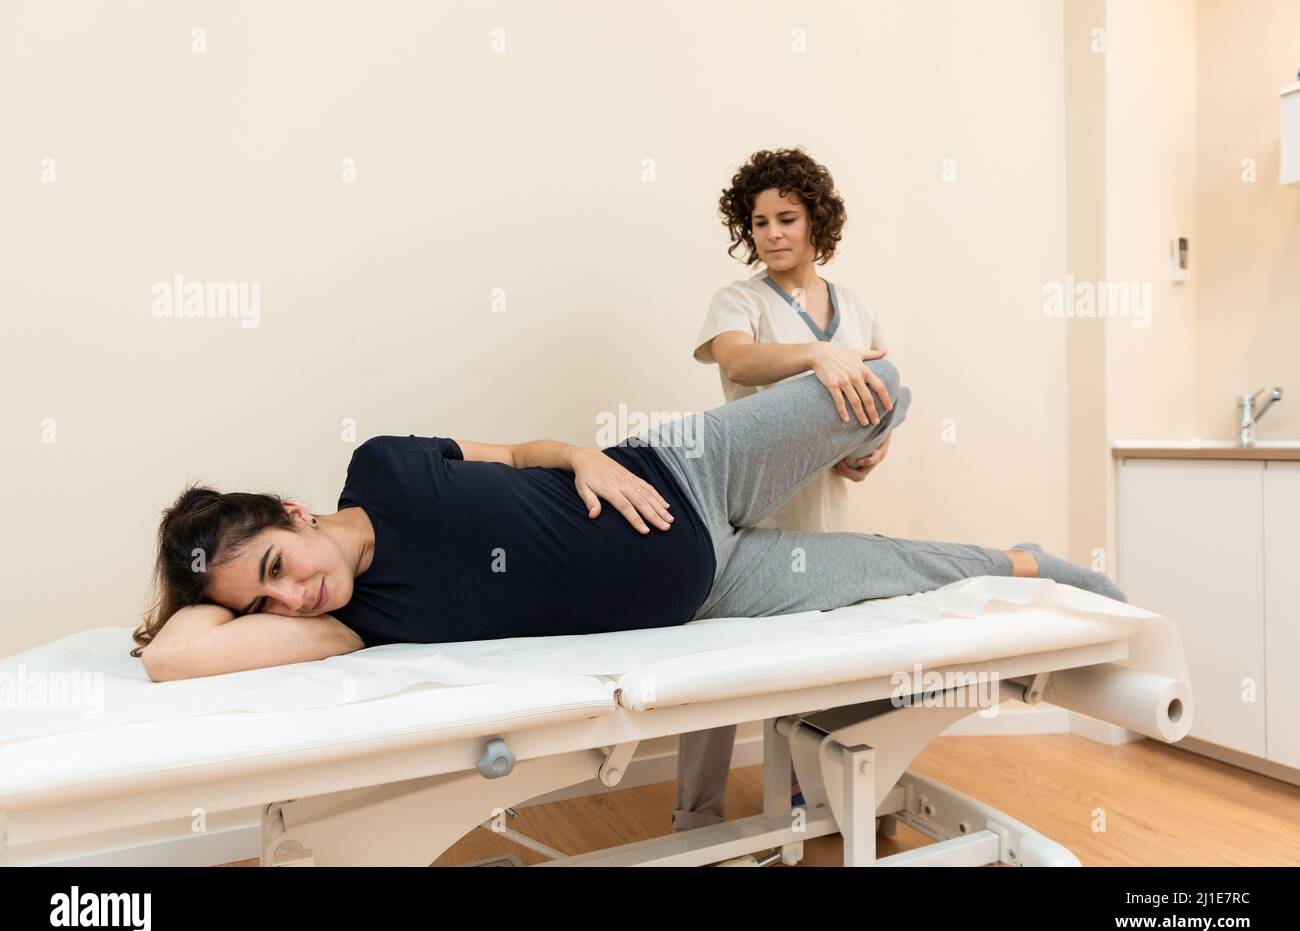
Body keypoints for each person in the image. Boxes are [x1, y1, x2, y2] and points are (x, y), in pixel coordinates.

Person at [133, 356, 1123, 690]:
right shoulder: (353, 622)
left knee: (879, 386)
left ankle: (861, 443)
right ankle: (1028, 562)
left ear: (294, 511)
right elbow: (175, 658)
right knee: (890, 566)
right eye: (260, 603)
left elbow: (518, 452)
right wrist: (201, 582)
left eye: (277, 563)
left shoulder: (383, 464)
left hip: (682, 468)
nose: (291, 595)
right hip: (707, 592)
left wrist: (584, 457)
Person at [677, 145, 895, 828]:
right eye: (759, 222)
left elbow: (875, 400)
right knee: (719, 672)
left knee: (818, 667)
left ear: (815, 222)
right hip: (745, 515)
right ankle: (696, 819)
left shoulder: (856, 309)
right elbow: (738, 361)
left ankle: (814, 797)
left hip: (821, 517)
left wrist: (872, 450)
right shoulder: (738, 301)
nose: (771, 234)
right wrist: (816, 354)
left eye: (787, 219)